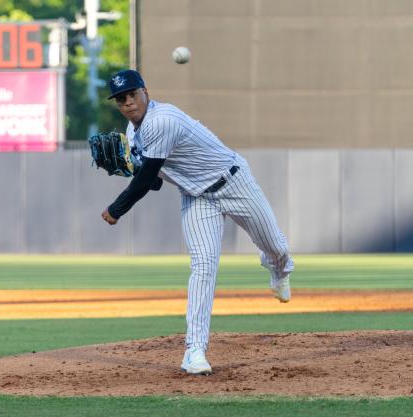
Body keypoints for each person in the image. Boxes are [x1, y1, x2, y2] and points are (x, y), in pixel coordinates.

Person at [101, 69, 293, 375]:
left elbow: (146, 179)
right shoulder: (133, 132)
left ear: (145, 92)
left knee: (274, 244)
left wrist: (116, 208)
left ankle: (278, 268)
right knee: (203, 266)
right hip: (197, 197)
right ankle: (194, 351)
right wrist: (130, 168)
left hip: (233, 181)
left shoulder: (162, 120)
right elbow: (157, 182)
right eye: (120, 99)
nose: (127, 103)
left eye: (132, 95)